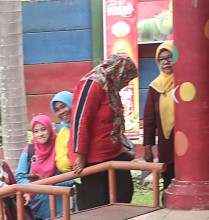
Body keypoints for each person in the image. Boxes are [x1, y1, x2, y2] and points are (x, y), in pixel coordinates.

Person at [70, 54, 139, 210]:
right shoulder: (92, 83)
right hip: (92, 158)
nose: (126, 83)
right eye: (126, 78)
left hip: (113, 153)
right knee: (96, 204)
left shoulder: (111, 87)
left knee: (124, 193)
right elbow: (81, 119)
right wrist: (80, 155)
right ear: (119, 71)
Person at [143, 42, 177, 189]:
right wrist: (147, 147)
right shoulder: (155, 87)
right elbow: (149, 120)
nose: (166, 62)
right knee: (169, 179)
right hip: (166, 143)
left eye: (170, 57)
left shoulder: (184, 82)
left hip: (185, 140)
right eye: (162, 59)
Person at [17, 115, 63, 220]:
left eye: (43, 129)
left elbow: (71, 177)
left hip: (60, 209)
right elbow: (20, 176)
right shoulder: (29, 150)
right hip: (36, 209)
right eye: (36, 131)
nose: (40, 134)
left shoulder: (60, 147)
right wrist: (34, 186)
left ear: (49, 129)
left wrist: (47, 182)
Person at [51, 91, 75, 174]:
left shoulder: (83, 125)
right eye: (57, 110)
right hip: (75, 178)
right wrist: (69, 156)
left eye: (64, 106)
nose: (61, 112)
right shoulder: (63, 131)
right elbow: (61, 165)